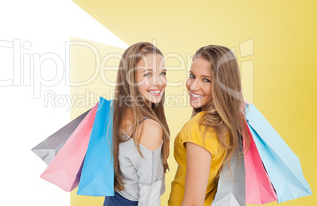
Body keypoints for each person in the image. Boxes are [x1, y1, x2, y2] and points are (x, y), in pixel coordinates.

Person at [168, 45, 249, 206]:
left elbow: (192, 203)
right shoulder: (230, 122)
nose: (193, 86)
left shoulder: (199, 128)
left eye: (206, 80)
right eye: (192, 76)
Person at [104, 42, 171, 206]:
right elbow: (149, 200)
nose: (159, 82)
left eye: (162, 73)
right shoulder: (150, 129)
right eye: (147, 74)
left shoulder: (112, 112)